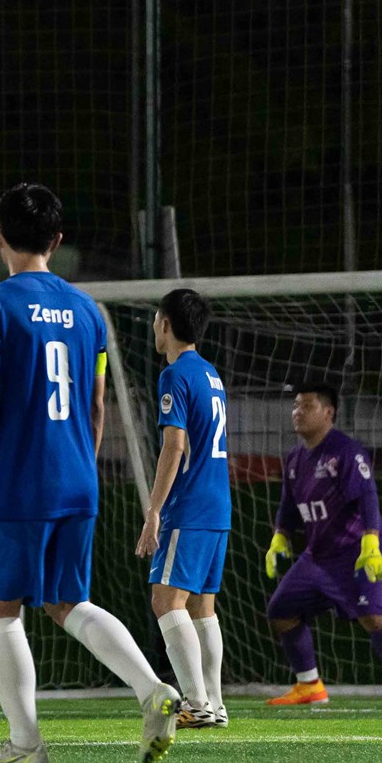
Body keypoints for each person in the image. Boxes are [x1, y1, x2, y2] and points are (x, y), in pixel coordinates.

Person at [0, 184, 182, 763]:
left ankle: (26, 744)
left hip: (19, 479)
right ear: (56, 239)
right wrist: (79, 462)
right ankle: (152, 688)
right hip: (77, 476)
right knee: (66, 601)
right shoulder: (87, 311)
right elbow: (98, 402)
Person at [262, 384, 382, 707]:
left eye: (307, 406)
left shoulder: (346, 451)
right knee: (281, 610)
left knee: (372, 614)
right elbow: (288, 505)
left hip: (356, 551)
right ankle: (310, 686)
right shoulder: (294, 459)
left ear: (328, 412)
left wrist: (371, 540)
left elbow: (367, 497)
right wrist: (280, 535)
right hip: (317, 556)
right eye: (295, 406)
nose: (297, 412)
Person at [134, 288, 232, 729]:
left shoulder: (174, 375)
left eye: (156, 320)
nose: (154, 327)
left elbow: (174, 446)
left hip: (189, 504)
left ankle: (197, 702)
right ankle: (214, 703)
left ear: (166, 324)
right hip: (217, 504)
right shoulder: (211, 374)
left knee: (165, 600)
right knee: (202, 607)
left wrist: (154, 511)